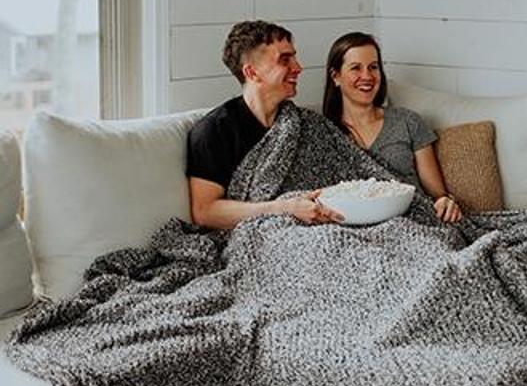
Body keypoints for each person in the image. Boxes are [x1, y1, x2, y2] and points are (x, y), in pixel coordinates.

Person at [187, 20, 343, 229]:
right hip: (261, 233)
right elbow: (205, 212)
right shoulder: (215, 131)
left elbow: (351, 171)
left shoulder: (306, 124)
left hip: (324, 224)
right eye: (285, 60)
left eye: (294, 58)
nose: (298, 67)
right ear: (251, 73)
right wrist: (284, 208)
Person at [322, 32, 462, 223]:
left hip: (412, 220)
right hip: (351, 227)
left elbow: (438, 194)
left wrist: (446, 202)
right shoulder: (323, 133)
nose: (367, 76)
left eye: (373, 67)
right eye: (356, 68)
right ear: (336, 76)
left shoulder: (407, 121)